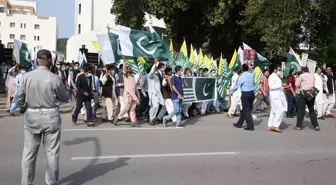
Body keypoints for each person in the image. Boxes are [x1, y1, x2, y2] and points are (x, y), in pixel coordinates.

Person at [16, 49, 69, 185]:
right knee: (52, 154)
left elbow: (19, 99)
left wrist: (22, 106)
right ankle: (51, 182)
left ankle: (26, 182)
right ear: (50, 62)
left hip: (32, 114)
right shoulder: (55, 78)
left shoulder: (26, 77)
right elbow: (65, 97)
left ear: (37, 61)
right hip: (51, 115)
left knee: (29, 153)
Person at [115, 58, 141, 127]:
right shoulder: (125, 76)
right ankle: (117, 118)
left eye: (131, 68)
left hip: (133, 96)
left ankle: (133, 121)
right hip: (128, 96)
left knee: (132, 109)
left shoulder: (132, 78)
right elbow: (124, 69)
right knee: (126, 108)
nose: (131, 69)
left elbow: (135, 88)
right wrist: (124, 61)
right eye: (129, 68)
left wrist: (138, 95)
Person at [293, 67, 320, 131]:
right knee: (311, 109)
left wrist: (297, 78)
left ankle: (298, 126)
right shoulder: (312, 76)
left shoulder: (302, 75)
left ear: (302, 71)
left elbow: (296, 84)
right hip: (311, 93)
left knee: (301, 110)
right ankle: (316, 125)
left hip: (304, 93)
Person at [231, 64, 255, 131]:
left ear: (242, 69)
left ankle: (250, 126)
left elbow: (237, 85)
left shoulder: (241, 76)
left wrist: (231, 92)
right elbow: (253, 72)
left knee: (246, 110)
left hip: (245, 94)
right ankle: (239, 124)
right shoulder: (251, 74)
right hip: (252, 94)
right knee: (245, 109)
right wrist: (251, 68)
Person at [267, 65, 288, 132]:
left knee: (273, 111)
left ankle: (270, 125)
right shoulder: (271, 76)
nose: (280, 71)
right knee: (281, 109)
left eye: (280, 70)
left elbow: (279, 87)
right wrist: (281, 85)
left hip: (278, 95)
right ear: (275, 69)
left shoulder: (277, 77)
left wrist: (285, 86)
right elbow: (271, 86)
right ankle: (275, 125)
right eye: (279, 70)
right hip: (274, 96)